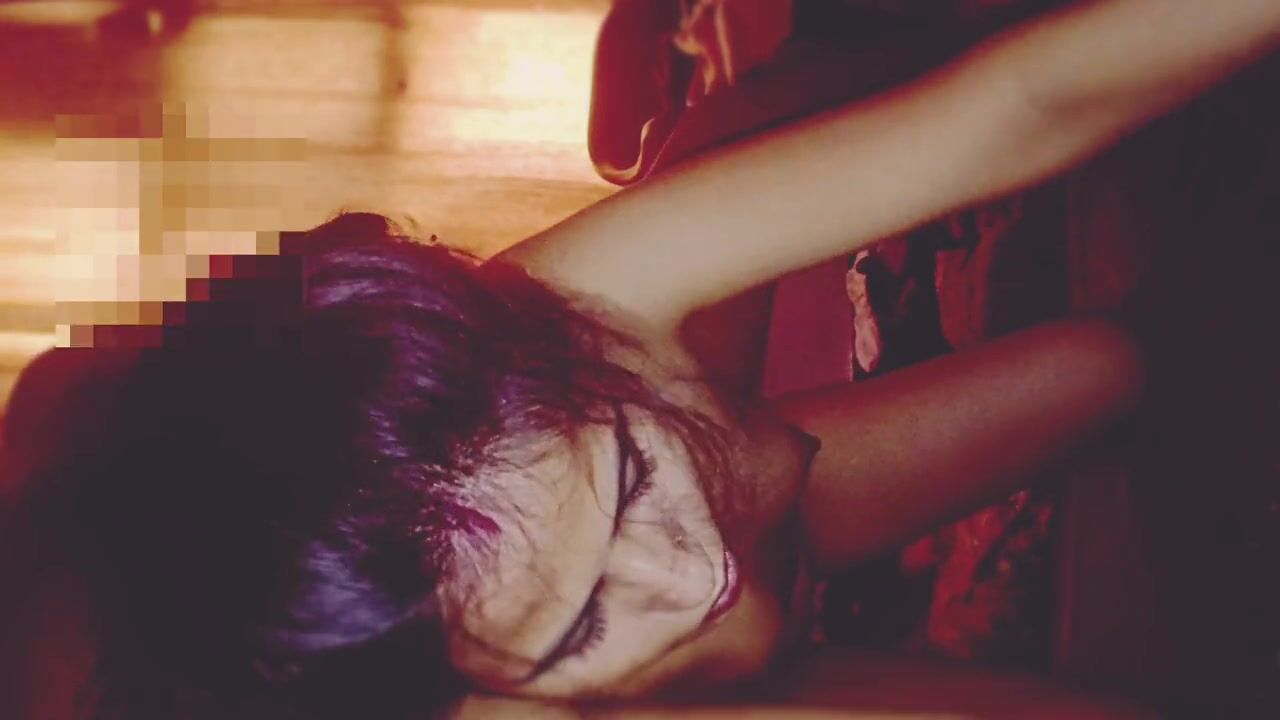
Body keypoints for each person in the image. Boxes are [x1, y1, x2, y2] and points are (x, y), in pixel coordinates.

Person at [2, 0, 1278, 718]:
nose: (688, 573)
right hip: (722, 687)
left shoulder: (561, 302)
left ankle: (715, 71)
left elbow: (1010, 110)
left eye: (625, 478)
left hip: (784, 480)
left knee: (1113, 360)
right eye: (580, 622)